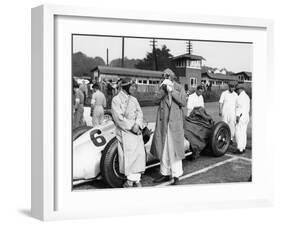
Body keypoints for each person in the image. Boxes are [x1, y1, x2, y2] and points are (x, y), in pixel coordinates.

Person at [151, 68, 186, 185]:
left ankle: (176, 175)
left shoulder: (179, 87)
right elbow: (155, 100)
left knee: (174, 149)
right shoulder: (161, 87)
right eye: (163, 76)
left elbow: (183, 102)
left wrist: (172, 91)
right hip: (164, 124)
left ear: (172, 77)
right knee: (164, 148)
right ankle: (164, 173)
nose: (164, 78)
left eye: (166, 76)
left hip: (175, 124)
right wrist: (164, 91)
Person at [111, 78, 145, 188]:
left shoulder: (134, 99)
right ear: (125, 86)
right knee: (129, 155)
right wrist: (131, 126)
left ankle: (136, 179)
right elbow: (118, 117)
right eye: (132, 86)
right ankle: (131, 181)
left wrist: (138, 125)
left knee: (139, 155)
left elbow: (140, 113)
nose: (133, 88)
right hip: (125, 131)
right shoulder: (116, 100)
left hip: (136, 129)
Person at [235, 83, 250, 153]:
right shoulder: (247, 97)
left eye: (237, 90)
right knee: (244, 133)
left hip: (241, 116)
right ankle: (243, 147)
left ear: (240, 89)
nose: (236, 91)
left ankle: (239, 148)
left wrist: (237, 116)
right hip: (246, 116)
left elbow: (239, 108)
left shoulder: (240, 97)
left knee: (238, 132)